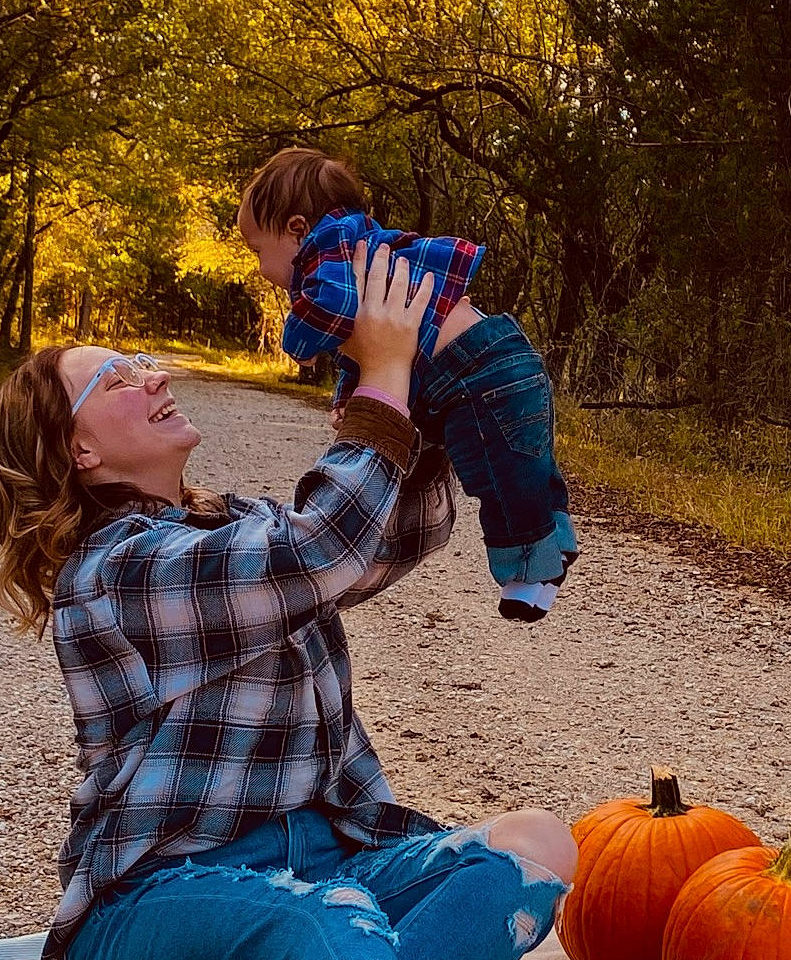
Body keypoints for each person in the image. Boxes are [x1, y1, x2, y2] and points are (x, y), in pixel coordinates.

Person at [0, 242, 643, 960]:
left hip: (315, 865)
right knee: (324, 917)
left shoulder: (229, 522)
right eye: (117, 377)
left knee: (534, 851)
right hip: (150, 910)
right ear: (81, 453)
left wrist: (422, 394)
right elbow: (323, 551)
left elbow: (378, 542)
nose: (153, 374)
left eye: (145, 360)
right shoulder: (116, 567)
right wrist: (374, 383)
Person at [236, 145, 577, 622]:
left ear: (296, 230)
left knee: (496, 476)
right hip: (493, 358)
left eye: (257, 250)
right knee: (527, 466)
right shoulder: (363, 245)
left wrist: (299, 340)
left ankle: (525, 575)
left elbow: (332, 315)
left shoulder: (329, 251)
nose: (260, 268)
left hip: (474, 372)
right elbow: (365, 348)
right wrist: (353, 399)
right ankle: (555, 542)